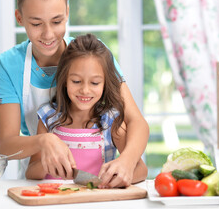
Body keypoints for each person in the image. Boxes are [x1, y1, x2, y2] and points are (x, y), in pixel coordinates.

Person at [0, 0, 149, 188]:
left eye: (56, 21)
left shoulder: (93, 56)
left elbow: (137, 121)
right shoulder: (8, 64)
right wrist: (44, 140)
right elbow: (7, 145)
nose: (48, 34)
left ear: (67, 13)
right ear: (19, 18)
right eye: (36, 24)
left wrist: (127, 161)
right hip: (41, 183)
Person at [25, 34, 148, 186]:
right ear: (64, 80)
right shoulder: (49, 117)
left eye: (95, 83)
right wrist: (48, 164)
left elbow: (141, 169)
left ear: (105, 84)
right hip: (53, 201)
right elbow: (30, 172)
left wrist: (114, 180)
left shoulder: (111, 122)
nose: (85, 90)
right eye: (76, 81)